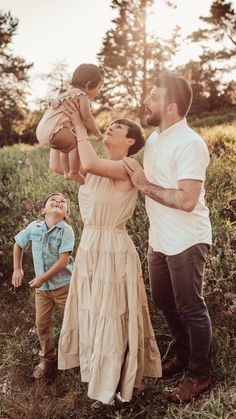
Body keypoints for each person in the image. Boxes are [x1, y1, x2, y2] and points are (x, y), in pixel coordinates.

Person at [58, 100, 162, 405]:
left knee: (111, 315)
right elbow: (62, 166)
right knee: (94, 311)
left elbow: (88, 164)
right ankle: (99, 373)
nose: (110, 127)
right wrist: (61, 124)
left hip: (113, 249)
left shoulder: (126, 167)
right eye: (110, 124)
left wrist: (80, 126)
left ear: (130, 141)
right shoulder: (98, 165)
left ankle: (114, 386)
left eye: (117, 127)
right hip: (91, 246)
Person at [123, 73, 213, 403]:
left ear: (171, 106)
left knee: (190, 307)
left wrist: (144, 185)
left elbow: (188, 201)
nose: (146, 101)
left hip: (187, 239)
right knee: (163, 300)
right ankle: (182, 350)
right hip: (159, 238)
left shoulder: (190, 143)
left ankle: (200, 374)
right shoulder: (156, 139)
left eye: (153, 97)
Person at [12, 192, 75, 378]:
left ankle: (78, 356)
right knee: (42, 325)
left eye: (62, 202)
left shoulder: (66, 230)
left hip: (64, 287)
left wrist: (42, 278)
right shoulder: (34, 227)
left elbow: (63, 261)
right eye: (53, 200)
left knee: (73, 321)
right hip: (42, 291)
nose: (58, 201)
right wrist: (17, 269)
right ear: (43, 210)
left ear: (66, 214)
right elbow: (18, 245)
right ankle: (47, 359)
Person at [36, 64, 104, 182]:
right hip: (55, 130)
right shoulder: (82, 97)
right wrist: (97, 133)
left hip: (43, 130)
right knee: (76, 144)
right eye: (99, 88)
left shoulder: (68, 94)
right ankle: (73, 172)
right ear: (88, 85)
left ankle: (67, 172)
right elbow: (87, 118)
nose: (99, 92)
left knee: (66, 147)